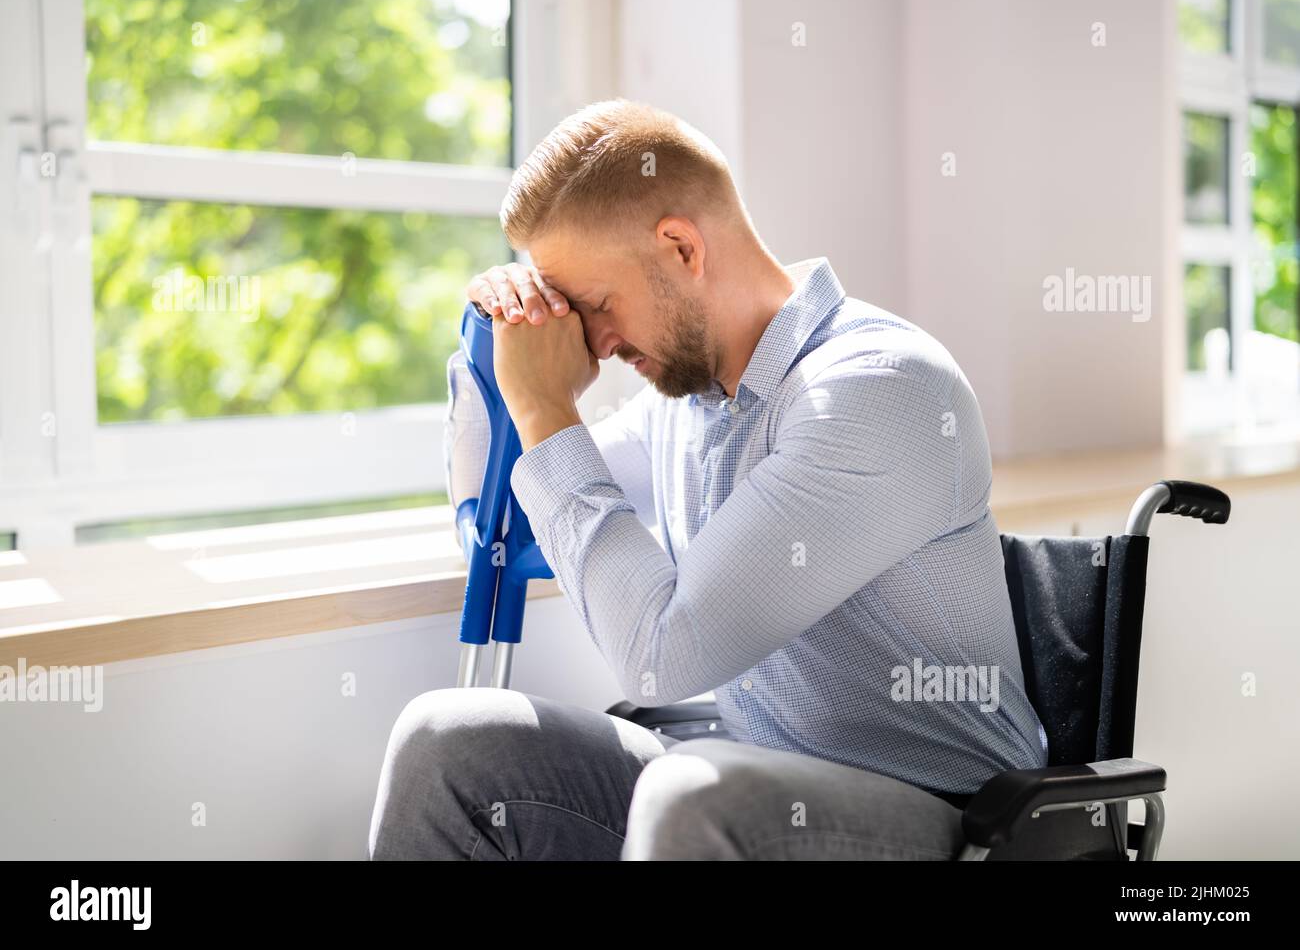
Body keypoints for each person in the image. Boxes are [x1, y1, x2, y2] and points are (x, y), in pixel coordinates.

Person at [368, 98, 1047, 860]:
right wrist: (491, 351)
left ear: (681, 248)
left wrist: (545, 405)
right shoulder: (690, 406)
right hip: (745, 783)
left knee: (692, 792)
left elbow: (664, 657)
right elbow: (511, 521)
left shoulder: (876, 389)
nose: (588, 339)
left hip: (947, 821)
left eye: (590, 304)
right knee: (448, 743)